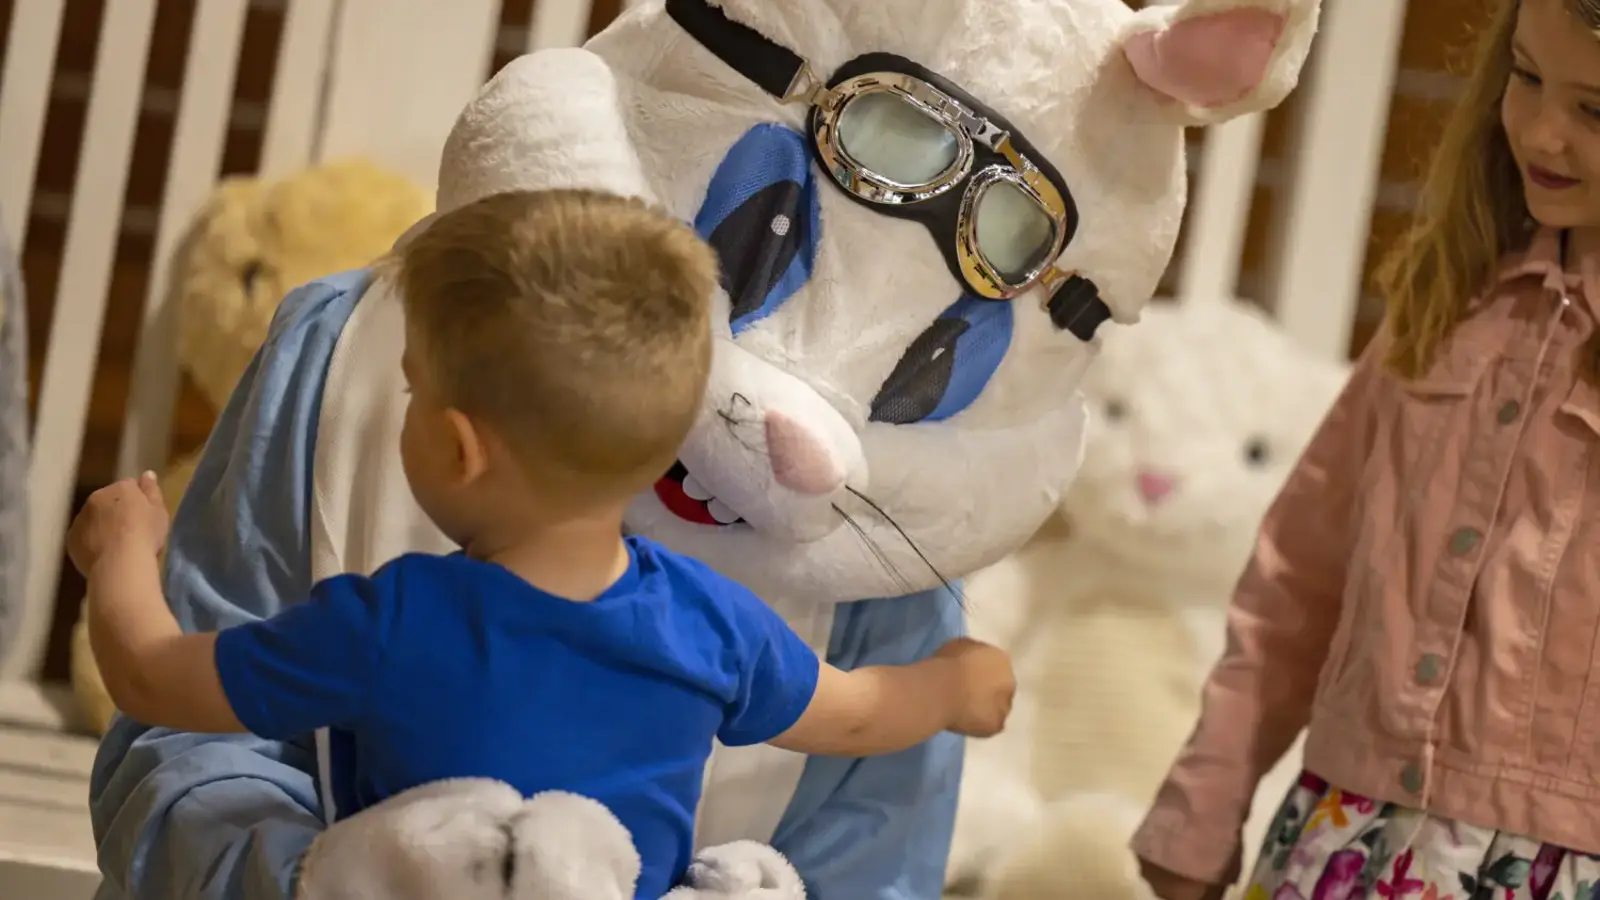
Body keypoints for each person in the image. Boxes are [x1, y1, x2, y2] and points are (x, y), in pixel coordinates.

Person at [70, 188, 1015, 900]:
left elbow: (155, 679)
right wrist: (955, 687)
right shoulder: (711, 624)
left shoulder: (391, 621)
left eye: (410, 389)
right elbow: (854, 715)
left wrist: (121, 550)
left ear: (454, 446)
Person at [1131, 0, 1600, 898]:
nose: (1542, 131)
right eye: (1528, 76)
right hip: (1340, 837)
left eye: (1595, 111)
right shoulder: (1451, 299)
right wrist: (1207, 798)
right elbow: (1299, 573)